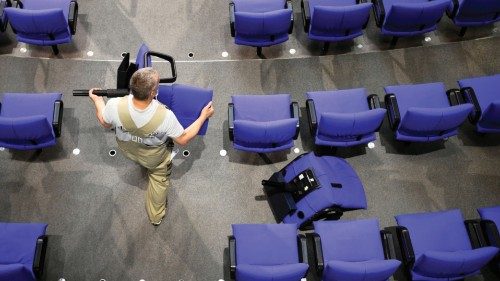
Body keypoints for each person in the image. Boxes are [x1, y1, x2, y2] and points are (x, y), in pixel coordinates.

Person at [89, 67, 214, 226]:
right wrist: (203, 116)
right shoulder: (165, 116)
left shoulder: (114, 105)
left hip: (127, 149)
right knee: (159, 183)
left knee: (138, 157)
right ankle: (156, 217)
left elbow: (104, 122)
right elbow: (183, 139)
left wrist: (98, 101)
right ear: (152, 93)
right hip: (154, 157)